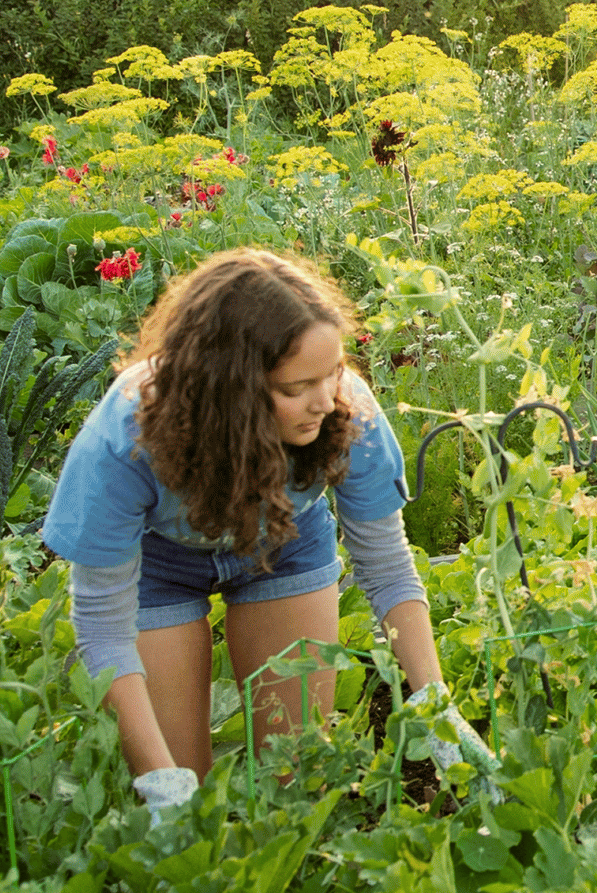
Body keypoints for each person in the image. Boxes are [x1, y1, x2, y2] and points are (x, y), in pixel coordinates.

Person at [38, 250, 449, 814]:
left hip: (284, 544)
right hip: (159, 564)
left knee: (298, 777)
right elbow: (103, 631)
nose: (326, 400)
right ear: (231, 390)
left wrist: (433, 699)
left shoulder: (344, 409)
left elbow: (387, 566)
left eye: (333, 373)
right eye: (296, 387)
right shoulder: (127, 435)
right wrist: (160, 783)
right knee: (186, 795)